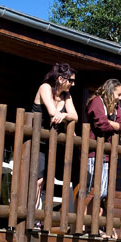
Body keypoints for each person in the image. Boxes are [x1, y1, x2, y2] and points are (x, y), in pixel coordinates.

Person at [30, 63, 78, 226]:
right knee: (36, 180)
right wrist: (63, 115)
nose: (73, 84)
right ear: (60, 78)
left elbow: (75, 116)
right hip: (36, 139)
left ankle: (37, 216)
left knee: (44, 180)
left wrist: (63, 116)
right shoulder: (45, 87)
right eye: (71, 81)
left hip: (51, 143)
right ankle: (32, 216)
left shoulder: (67, 96)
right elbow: (51, 111)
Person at [85, 78, 121, 237]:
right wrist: (114, 125)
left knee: (102, 193)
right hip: (94, 153)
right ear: (110, 91)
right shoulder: (97, 102)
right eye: (118, 94)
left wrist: (114, 124)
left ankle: (96, 226)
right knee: (92, 191)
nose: (120, 98)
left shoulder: (115, 107)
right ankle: (86, 227)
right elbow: (101, 124)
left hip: (107, 155)